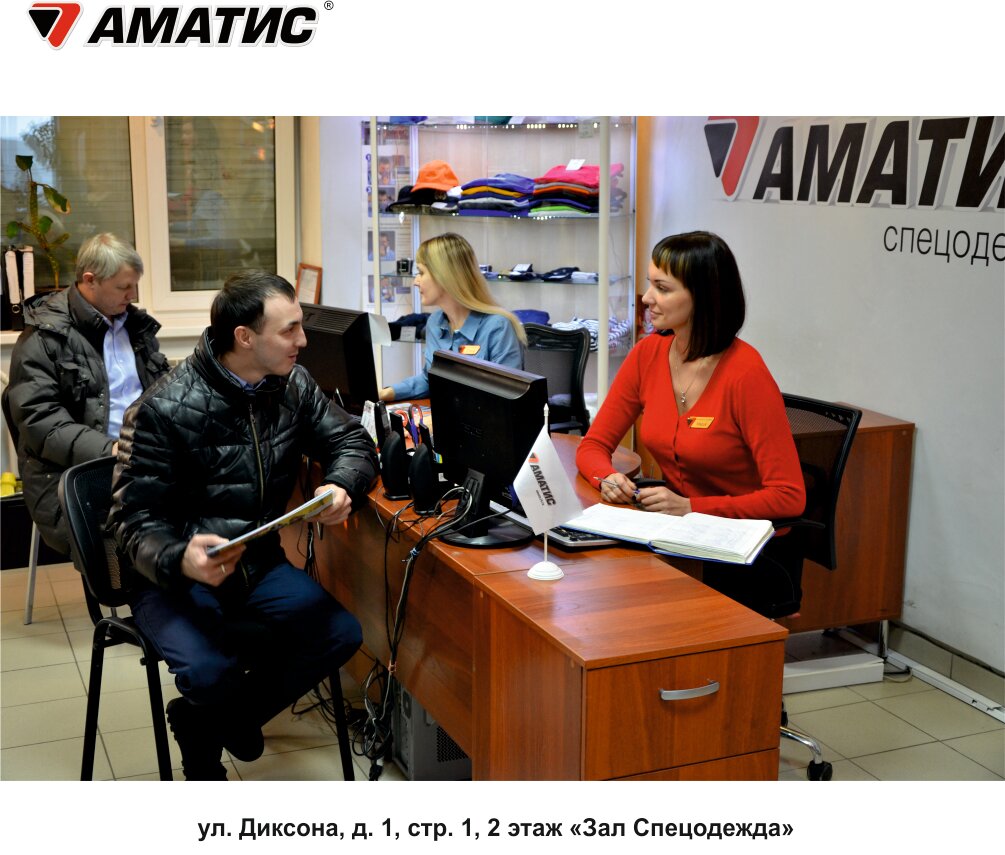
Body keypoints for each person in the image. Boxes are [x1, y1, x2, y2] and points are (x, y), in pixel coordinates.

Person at [108, 270, 379, 780]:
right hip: (172, 578)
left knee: (340, 634)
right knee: (210, 671)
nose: (303, 340)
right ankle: (209, 748)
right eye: (289, 329)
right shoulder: (162, 408)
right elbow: (131, 520)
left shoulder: (292, 384)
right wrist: (180, 557)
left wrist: (341, 484)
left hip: (256, 563)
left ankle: (206, 723)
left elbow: (352, 441)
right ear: (244, 337)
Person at [576, 231, 806, 614]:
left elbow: (788, 496)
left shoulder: (746, 374)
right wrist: (607, 478)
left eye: (662, 288)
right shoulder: (647, 354)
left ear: (703, 297)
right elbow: (593, 445)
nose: (647, 298)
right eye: (650, 284)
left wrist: (692, 506)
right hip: (681, 534)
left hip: (747, 552)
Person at [4, 233, 168, 555]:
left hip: (141, 459)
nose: (133, 295)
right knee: (151, 532)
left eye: (134, 285)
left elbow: (165, 394)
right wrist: (114, 449)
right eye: (124, 287)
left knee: (214, 499)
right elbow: (43, 424)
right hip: (75, 472)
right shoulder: (43, 337)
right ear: (90, 280)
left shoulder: (136, 328)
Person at [379, 232, 525, 402]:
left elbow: (507, 398)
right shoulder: (435, 322)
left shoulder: (498, 327)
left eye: (421, 272)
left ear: (444, 276)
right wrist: (388, 392)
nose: (415, 281)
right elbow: (429, 380)